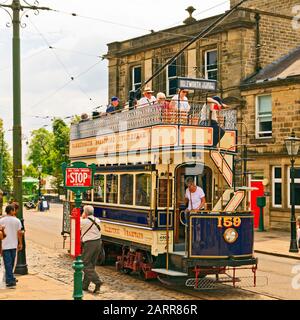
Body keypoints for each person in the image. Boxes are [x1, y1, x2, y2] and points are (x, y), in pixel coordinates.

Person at [80, 205, 103, 294]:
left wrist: (83, 216)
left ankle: (97, 281)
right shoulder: (97, 220)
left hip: (89, 244)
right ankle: (85, 285)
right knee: (91, 265)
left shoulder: (83, 221)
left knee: (84, 263)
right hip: (98, 243)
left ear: (85, 212)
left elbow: (77, 225)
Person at [0, 204, 23, 288]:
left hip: (5, 245)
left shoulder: (1, 220)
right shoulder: (17, 221)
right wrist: (20, 243)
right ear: (11, 211)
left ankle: (9, 278)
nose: (15, 211)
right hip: (13, 244)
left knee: (8, 263)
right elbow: (19, 233)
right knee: (11, 263)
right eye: (14, 210)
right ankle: (10, 280)